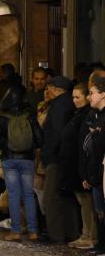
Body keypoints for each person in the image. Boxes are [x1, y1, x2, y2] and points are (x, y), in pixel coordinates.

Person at [0, 84, 43, 241]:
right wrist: (30, 148)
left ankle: (16, 231)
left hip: (9, 160)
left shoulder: (3, 117)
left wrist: (3, 148)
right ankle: (33, 231)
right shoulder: (30, 115)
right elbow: (40, 139)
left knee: (13, 195)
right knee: (28, 195)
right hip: (27, 160)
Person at [41, 76, 79, 243]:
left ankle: (56, 234)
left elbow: (56, 133)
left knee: (51, 197)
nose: (46, 91)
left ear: (55, 89)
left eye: (48, 87)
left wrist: (49, 155)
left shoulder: (58, 106)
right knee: (65, 196)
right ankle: (72, 232)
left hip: (57, 158)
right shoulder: (68, 104)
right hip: (65, 156)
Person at [63, 83, 97, 249]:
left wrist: (84, 170)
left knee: (87, 202)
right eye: (73, 97)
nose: (75, 100)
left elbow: (85, 144)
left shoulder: (87, 115)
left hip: (81, 164)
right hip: (75, 164)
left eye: (78, 97)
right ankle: (86, 233)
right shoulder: (78, 114)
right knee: (83, 201)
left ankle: (89, 235)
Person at [85, 75, 105, 256]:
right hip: (97, 172)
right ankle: (101, 246)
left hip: (102, 171)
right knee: (99, 212)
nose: (88, 97)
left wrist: (97, 136)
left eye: (91, 93)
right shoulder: (95, 115)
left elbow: (99, 145)